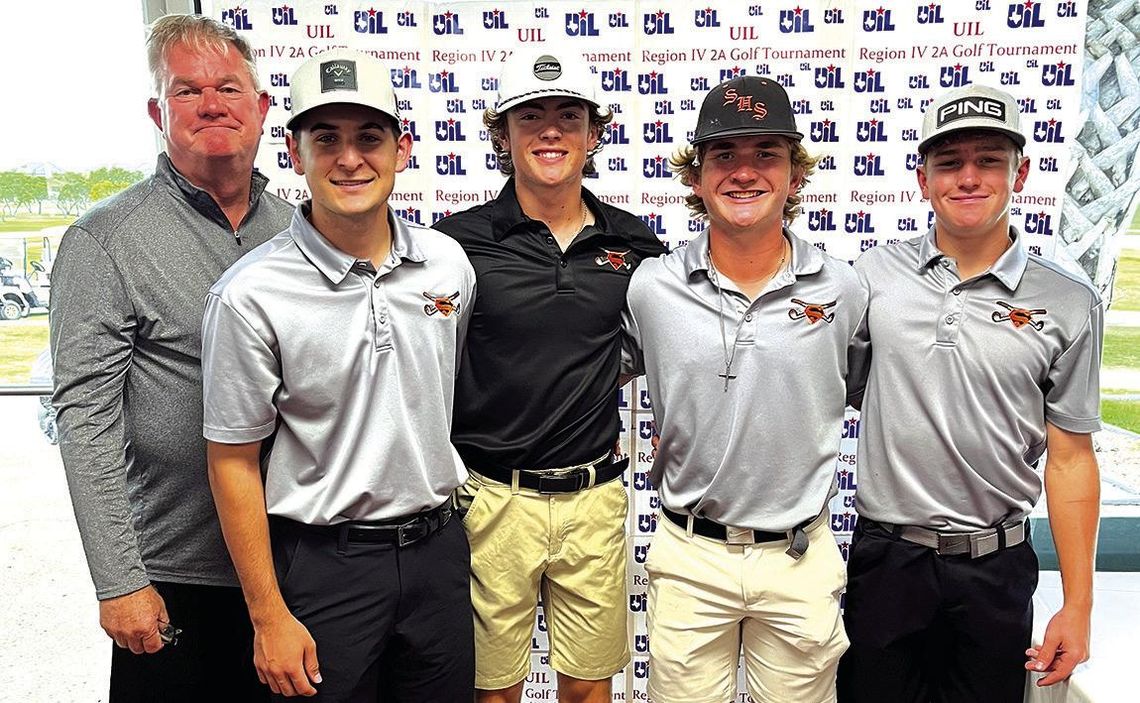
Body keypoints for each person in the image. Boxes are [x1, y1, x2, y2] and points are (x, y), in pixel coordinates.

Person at [202, 49, 476, 701]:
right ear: (295, 153)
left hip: (438, 552)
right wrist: (268, 614)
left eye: (369, 137)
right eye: (326, 139)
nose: (350, 158)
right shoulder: (249, 295)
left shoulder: (447, 266)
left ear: (402, 148)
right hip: (326, 565)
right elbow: (231, 460)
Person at [49, 14, 291, 701]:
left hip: (296, 573)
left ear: (263, 108)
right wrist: (119, 579)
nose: (212, 104)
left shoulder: (301, 233)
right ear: (158, 112)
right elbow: (85, 421)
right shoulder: (106, 241)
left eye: (229, 88)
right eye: (187, 91)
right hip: (178, 580)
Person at [837, 84, 1102, 703]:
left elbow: (1070, 459)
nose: (969, 178)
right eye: (950, 162)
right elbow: (830, 391)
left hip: (996, 566)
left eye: (989, 160)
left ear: (1021, 173)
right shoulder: (870, 278)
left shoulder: (1067, 301)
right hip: (888, 561)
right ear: (922, 178)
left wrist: (1079, 606)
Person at [432, 47, 666, 703]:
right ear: (501, 134)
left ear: (596, 133)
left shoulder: (636, 243)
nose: (551, 130)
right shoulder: (454, 244)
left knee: (590, 689)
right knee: (493, 690)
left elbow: (663, 343)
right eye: (530, 116)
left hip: (594, 497)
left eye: (570, 115)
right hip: (490, 499)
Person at [621, 76, 864, 702]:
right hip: (690, 556)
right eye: (724, 155)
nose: (744, 172)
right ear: (696, 176)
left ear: (794, 173)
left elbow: (867, 390)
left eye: (766, 154)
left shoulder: (842, 288)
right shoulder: (652, 287)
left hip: (799, 557)